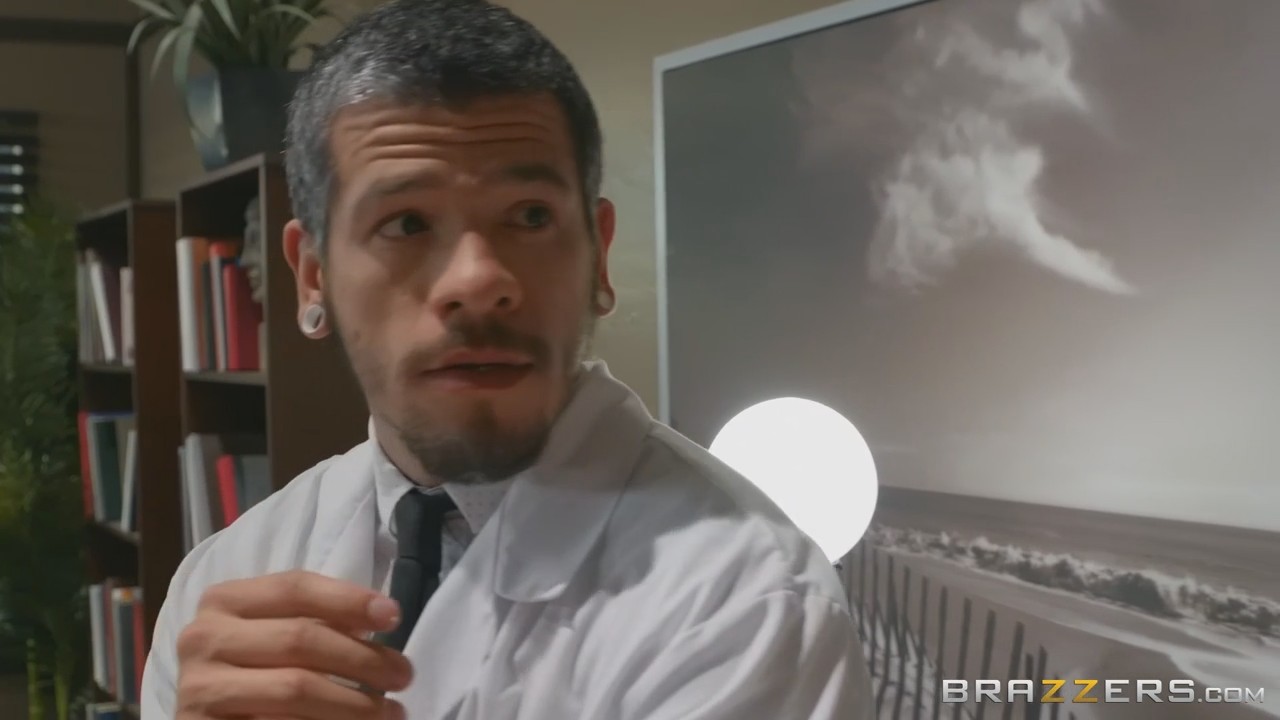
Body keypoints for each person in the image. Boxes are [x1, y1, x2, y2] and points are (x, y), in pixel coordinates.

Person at [140, 1, 874, 718]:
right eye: (406, 222)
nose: (478, 280)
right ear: (312, 276)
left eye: (530, 216)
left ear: (598, 256)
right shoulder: (229, 582)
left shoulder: (749, 607)